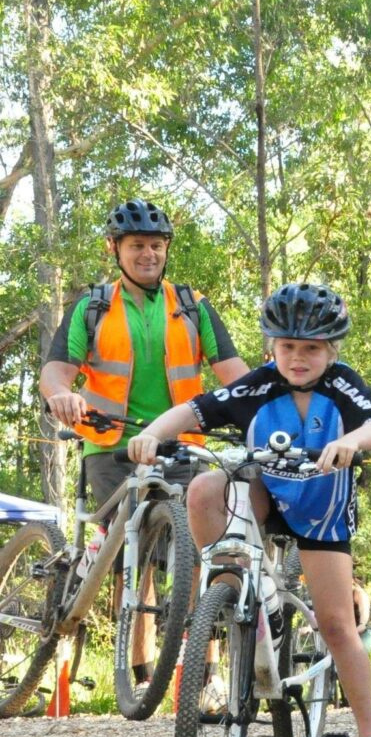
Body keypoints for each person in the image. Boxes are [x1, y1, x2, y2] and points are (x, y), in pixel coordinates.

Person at [127, 283, 371, 737]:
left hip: (322, 508)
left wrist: (349, 442)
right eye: (287, 347)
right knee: (207, 485)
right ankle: (235, 590)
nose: (298, 358)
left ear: (331, 351)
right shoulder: (259, 386)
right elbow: (195, 409)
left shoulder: (342, 385)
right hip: (267, 493)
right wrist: (152, 435)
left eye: (312, 348)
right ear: (271, 347)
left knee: (338, 625)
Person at [40, 198, 249, 703]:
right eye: (137, 246)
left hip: (184, 443)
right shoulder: (92, 306)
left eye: (156, 245)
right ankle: (140, 667)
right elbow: (55, 371)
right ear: (116, 249)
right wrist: (62, 396)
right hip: (110, 441)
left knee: (199, 549)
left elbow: (236, 377)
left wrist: (265, 418)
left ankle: (204, 672)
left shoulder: (192, 306)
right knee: (135, 547)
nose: (149, 254)